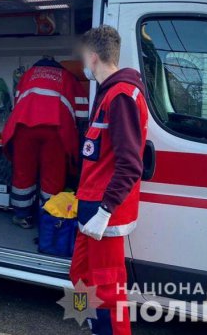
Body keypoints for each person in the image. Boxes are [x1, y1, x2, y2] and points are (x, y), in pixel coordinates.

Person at [70, 26, 148, 335]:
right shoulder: (109, 93)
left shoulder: (121, 97)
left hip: (105, 212)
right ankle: (87, 322)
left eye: (84, 58)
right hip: (90, 206)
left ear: (92, 57)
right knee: (79, 275)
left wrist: (104, 211)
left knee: (108, 289)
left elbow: (130, 164)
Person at [2, 57, 88, 229]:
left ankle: (22, 215)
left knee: (23, 172)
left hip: (24, 127)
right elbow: (83, 111)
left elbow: (17, 101)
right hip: (55, 130)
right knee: (52, 175)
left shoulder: (28, 75)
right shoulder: (68, 77)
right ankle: (48, 218)